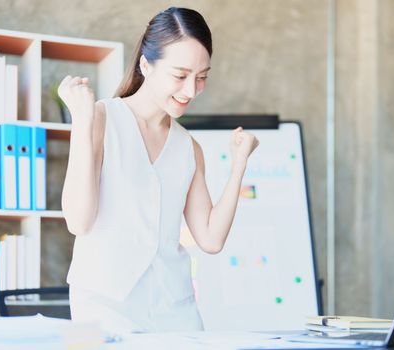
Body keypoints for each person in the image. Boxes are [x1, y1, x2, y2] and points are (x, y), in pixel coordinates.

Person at [59, 7, 259, 333]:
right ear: (145, 64)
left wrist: (239, 164)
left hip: (174, 309)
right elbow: (79, 220)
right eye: (180, 76)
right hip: (104, 305)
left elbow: (210, 238)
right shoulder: (100, 119)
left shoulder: (188, 147)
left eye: (202, 76)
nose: (191, 90)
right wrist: (82, 121)